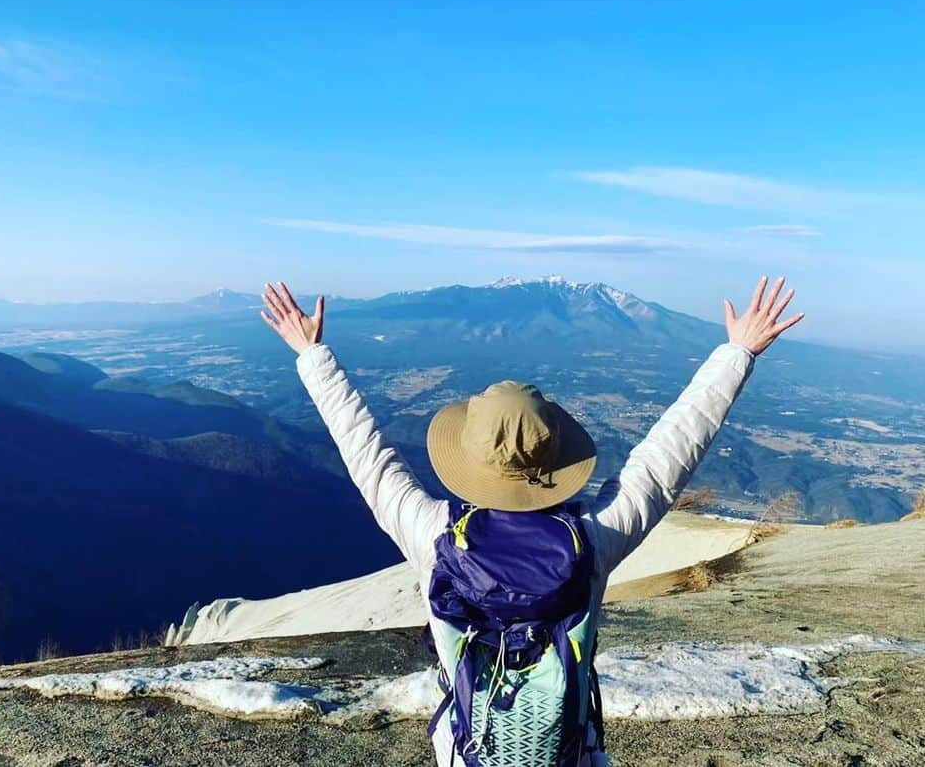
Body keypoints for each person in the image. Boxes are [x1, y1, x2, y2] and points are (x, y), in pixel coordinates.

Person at [260, 276, 803, 767]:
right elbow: (667, 457)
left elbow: (367, 454)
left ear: (468, 462)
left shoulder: (434, 537)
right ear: (558, 458)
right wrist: (737, 353)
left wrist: (312, 354)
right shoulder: (593, 540)